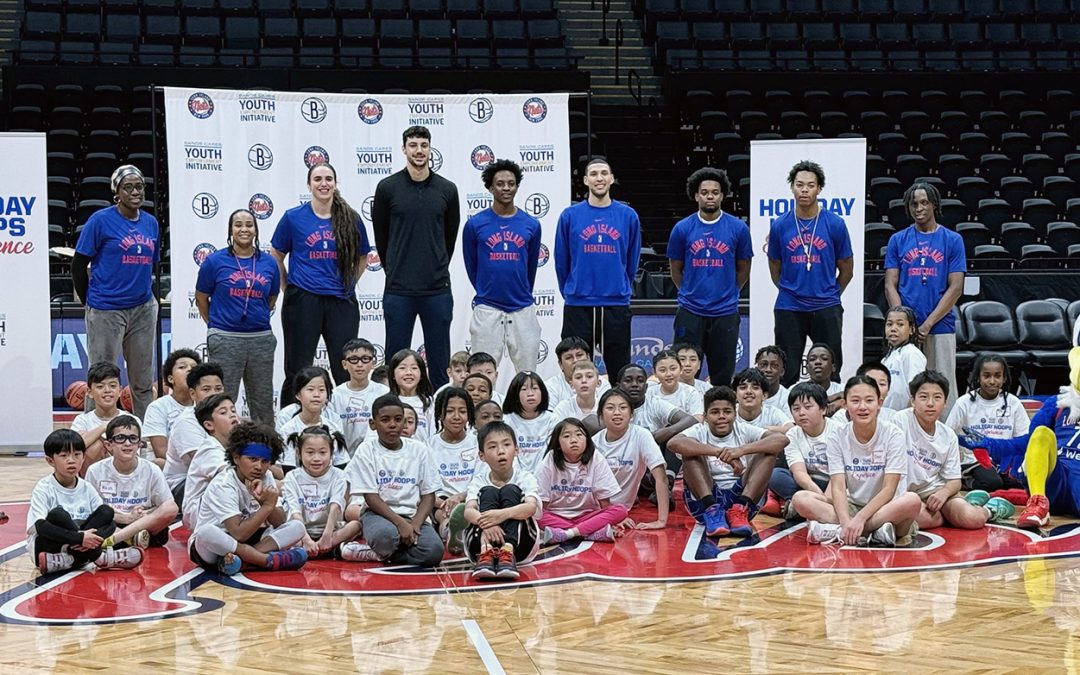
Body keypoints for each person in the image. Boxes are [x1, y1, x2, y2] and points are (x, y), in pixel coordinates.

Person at [270, 163, 370, 406]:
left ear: (335, 184)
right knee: (297, 367)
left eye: (328, 178)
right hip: (303, 300)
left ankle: (346, 421)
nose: (323, 183)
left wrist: (348, 283)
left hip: (340, 300)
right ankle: (290, 423)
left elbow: (363, 256)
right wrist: (289, 287)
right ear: (309, 185)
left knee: (344, 367)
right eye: (317, 179)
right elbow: (276, 254)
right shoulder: (293, 218)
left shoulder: (351, 218)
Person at [372, 125, 461, 389]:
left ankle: (439, 414)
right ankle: (394, 413)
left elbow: (449, 238)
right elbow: (382, 237)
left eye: (424, 145)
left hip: (437, 289)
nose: (419, 150)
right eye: (413, 145)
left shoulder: (447, 189)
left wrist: (434, 265)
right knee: (396, 360)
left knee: (439, 360)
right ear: (404, 149)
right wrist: (397, 269)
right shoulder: (387, 187)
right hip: (399, 289)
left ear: (430, 148)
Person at [791, 375, 922, 547]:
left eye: (869, 400)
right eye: (855, 401)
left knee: (912, 501)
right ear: (844, 404)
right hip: (852, 505)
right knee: (800, 499)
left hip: (885, 508)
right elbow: (838, 486)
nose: (862, 407)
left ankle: (841, 531)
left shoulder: (893, 434)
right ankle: (871, 532)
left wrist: (860, 520)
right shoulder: (837, 436)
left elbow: (889, 489)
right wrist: (846, 521)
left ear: (879, 403)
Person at [72, 164, 159, 421]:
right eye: (128, 187)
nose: (135, 191)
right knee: (101, 378)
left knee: (142, 381)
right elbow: (78, 264)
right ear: (116, 193)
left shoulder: (151, 223)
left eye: (139, 186)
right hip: (106, 309)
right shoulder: (100, 221)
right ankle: (91, 434)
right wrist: (90, 302)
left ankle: (145, 435)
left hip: (143, 308)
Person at [767, 160, 853, 386]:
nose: (804, 190)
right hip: (789, 305)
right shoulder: (779, 225)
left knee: (830, 368)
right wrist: (791, 289)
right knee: (786, 369)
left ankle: (829, 415)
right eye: (799, 184)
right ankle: (787, 417)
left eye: (810, 185)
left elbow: (846, 268)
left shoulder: (835, 224)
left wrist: (830, 292)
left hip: (826, 304)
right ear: (792, 187)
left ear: (819, 189)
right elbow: (775, 266)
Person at [555, 157, 642, 380]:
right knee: (576, 372)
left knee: (619, 371)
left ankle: (618, 414)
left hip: (615, 302)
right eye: (593, 174)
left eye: (604, 173)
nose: (599, 178)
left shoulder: (628, 216)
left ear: (612, 179)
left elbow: (631, 260)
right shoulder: (569, 215)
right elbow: (561, 259)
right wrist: (572, 290)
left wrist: (620, 285)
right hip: (579, 302)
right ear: (585, 180)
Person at [884, 181, 966, 414]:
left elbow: (956, 287)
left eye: (924, 203)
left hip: (940, 325)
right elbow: (890, 283)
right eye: (913, 204)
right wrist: (902, 323)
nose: (918, 208)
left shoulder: (952, 240)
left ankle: (948, 440)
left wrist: (928, 323)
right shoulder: (898, 240)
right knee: (905, 388)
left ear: (934, 205)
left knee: (942, 386)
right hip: (908, 331)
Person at [898, 371, 1014, 530]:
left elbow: (954, 481)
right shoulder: (898, 422)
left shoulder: (948, 435)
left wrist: (943, 493)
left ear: (945, 402)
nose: (930, 403)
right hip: (902, 496)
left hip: (934, 492)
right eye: (923, 397)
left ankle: (990, 509)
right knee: (917, 519)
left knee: (972, 519)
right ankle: (958, 510)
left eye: (937, 398)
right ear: (912, 400)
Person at [668, 167, 753, 386]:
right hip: (690, 310)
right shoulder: (682, 228)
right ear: (696, 195)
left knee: (723, 374)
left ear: (722, 195)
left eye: (715, 192)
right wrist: (690, 291)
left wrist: (730, 292)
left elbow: (744, 268)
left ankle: (720, 415)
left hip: (725, 311)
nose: (709, 196)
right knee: (685, 374)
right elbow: (676, 269)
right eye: (704, 192)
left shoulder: (738, 228)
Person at [188, 422, 309, 575]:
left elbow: (279, 523)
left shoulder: (266, 476)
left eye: (265, 461)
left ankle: (241, 562)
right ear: (236, 457)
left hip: (249, 540)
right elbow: (238, 533)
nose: (259, 466)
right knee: (206, 532)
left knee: (297, 527)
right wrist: (265, 507)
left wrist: (268, 504)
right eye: (252, 459)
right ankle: (265, 561)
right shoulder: (224, 484)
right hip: (214, 547)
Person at [196, 208, 281, 424]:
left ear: (256, 229)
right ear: (230, 230)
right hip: (225, 337)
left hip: (260, 338)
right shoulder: (215, 261)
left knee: (262, 403)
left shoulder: (269, 262)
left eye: (249, 224)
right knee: (222, 402)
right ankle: (219, 452)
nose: (244, 229)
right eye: (238, 224)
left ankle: (265, 451)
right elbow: (201, 297)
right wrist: (216, 326)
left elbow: (271, 298)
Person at [669, 386, 788, 538]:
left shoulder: (744, 429)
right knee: (690, 451)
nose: (721, 416)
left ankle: (740, 510)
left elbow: (781, 439)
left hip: (743, 502)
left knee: (768, 451)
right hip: (704, 501)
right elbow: (673, 443)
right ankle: (712, 510)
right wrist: (717, 452)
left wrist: (741, 451)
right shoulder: (699, 430)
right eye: (715, 412)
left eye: (727, 411)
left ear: (735, 414)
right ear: (705, 417)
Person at [462, 158, 543, 374]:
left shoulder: (531, 224)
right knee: (481, 374)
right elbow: (472, 266)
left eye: (511, 183)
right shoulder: (474, 224)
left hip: (522, 307)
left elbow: (530, 267)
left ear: (517, 186)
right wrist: (487, 289)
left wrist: (520, 290)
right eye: (500, 183)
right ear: (490, 187)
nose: (506, 188)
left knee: (527, 374)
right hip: (487, 307)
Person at [347, 394, 444, 567]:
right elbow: (371, 497)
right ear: (373, 424)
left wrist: (414, 525)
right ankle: (381, 547)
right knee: (385, 537)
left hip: (412, 515)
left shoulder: (420, 450)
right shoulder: (366, 450)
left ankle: (377, 554)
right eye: (385, 420)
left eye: (398, 419)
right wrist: (400, 524)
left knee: (434, 552)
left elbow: (429, 495)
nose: (393, 424)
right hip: (377, 514)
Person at [29, 429, 142, 575]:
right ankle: (99, 557)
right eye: (64, 456)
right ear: (50, 460)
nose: (71, 460)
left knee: (106, 512)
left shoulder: (86, 487)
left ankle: (71, 559)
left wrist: (86, 539)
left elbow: (109, 523)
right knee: (58, 515)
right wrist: (80, 538)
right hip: (46, 548)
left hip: (74, 549)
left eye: (77, 455)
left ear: (83, 458)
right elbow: (41, 526)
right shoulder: (44, 487)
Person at [460, 421, 541, 580]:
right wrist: (487, 523)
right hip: (480, 545)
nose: (501, 451)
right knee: (488, 491)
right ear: (482, 456)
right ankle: (486, 552)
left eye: (506, 444)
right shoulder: (478, 481)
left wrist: (500, 516)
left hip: (521, 546)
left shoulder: (525, 477)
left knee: (510, 490)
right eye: (492, 447)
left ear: (516, 450)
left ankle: (507, 551)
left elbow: (531, 508)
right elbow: (468, 511)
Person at [87, 417, 178, 549]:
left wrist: (144, 515)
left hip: (144, 524)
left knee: (171, 507)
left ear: (139, 444)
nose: (127, 443)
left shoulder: (152, 469)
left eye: (133, 438)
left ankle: (117, 539)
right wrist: (127, 518)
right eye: (120, 438)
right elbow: (93, 509)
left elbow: (164, 506)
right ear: (108, 445)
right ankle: (129, 538)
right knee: (98, 518)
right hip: (113, 523)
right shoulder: (95, 470)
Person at [947, 353, 1029, 494]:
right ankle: (965, 480)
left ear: (1004, 378)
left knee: (1018, 481)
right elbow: (947, 433)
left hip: (1004, 458)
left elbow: (1024, 437)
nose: (992, 381)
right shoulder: (964, 403)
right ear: (978, 377)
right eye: (987, 376)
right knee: (992, 483)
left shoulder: (1013, 402)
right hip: (975, 460)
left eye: (997, 376)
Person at [537, 418, 628, 543]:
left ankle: (566, 534)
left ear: (587, 440)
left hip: (588, 516)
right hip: (557, 515)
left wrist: (610, 521)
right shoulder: (549, 460)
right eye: (567, 436)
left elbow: (605, 501)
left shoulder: (596, 458)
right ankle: (589, 534)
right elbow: (542, 505)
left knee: (620, 510)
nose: (574, 440)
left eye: (579, 435)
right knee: (533, 514)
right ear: (557, 443)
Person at [592, 389, 669, 530]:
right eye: (610, 408)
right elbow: (591, 488)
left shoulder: (641, 435)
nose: (617, 412)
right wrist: (612, 517)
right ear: (601, 415)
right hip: (591, 509)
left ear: (632, 414)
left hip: (618, 511)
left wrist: (661, 521)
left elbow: (661, 477)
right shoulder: (593, 443)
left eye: (623, 407)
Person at [282, 425, 361, 558]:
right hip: (301, 532)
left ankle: (321, 549)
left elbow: (336, 505)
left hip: (331, 531)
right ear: (299, 453)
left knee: (355, 525)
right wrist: (306, 539)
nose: (316, 458)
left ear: (331, 453)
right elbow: (294, 511)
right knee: (276, 533)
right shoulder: (291, 477)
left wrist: (327, 536)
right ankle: (331, 550)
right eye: (310, 452)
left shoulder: (339, 475)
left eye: (322, 452)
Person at [767, 382, 845, 510]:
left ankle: (799, 505)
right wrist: (821, 498)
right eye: (796, 409)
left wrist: (823, 499)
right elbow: (799, 472)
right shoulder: (793, 434)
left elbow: (840, 474)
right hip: (809, 482)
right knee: (776, 475)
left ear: (823, 409)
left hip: (836, 481)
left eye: (808, 407)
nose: (801, 413)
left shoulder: (839, 431)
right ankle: (808, 504)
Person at [163, 362, 226, 503]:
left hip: (220, 475)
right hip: (182, 485)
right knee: (229, 485)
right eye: (206, 389)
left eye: (218, 388)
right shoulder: (186, 422)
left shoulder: (228, 416)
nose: (214, 394)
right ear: (193, 393)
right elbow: (204, 465)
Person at [428, 388, 479, 553]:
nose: (456, 416)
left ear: (469, 414)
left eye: (462, 411)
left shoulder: (478, 442)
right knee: (444, 514)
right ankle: (451, 533)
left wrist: (462, 497)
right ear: (440, 415)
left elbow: (483, 479)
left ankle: (467, 533)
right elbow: (424, 486)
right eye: (450, 411)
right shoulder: (428, 446)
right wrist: (443, 502)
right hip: (441, 503)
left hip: (471, 498)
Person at [181, 393, 240, 530]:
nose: (232, 415)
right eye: (223, 412)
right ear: (209, 425)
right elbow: (237, 476)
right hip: (200, 516)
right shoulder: (209, 449)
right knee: (231, 481)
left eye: (233, 410)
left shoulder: (238, 446)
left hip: (224, 510)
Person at [70, 362, 139, 470]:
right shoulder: (82, 420)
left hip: (124, 472)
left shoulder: (132, 420)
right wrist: (104, 427)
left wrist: (98, 439)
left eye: (112, 386)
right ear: (89, 392)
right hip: (91, 475)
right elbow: (74, 448)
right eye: (100, 386)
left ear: (120, 390)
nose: (107, 390)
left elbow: (134, 455)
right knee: (95, 447)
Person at [325, 338, 390, 453]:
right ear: (344, 364)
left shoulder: (384, 392)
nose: (360, 364)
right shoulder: (335, 395)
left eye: (365, 359)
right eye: (354, 359)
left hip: (378, 456)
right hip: (343, 458)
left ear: (373, 363)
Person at [277, 367, 348, 471]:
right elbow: (288, 470)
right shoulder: (288, 429)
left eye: (322, 390)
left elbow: (341, 465)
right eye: (310, 389)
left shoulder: (334, 427)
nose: (316, 395)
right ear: (298, 394)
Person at [143, 348, 201, 467]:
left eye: (194, 367)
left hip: (202, 468)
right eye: (182, 367)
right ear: (170, 378)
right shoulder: (158, 407)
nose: (189, 369)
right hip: (173, 470)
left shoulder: (206, 407)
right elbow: (161, 452)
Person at [502, 371, 558, 473]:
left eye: (535, 388)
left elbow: (551, 453)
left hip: (545, 474)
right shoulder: (507, 420)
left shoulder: (552, 419)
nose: (530, 394)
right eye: (524, 389)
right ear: (515, 394)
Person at [881, 306, 926, 410]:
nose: (893, 329)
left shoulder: (912, 354)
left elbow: (916, 390)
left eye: (900, 324)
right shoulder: (886, 359)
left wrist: (907, 418)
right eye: (889, 324)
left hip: (903, 417)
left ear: (912, 329)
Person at [545, 337, 611, 406]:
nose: (575, 360)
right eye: (568, 357)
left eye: (579, 355)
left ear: (588, 358)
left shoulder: (602, 384)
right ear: (560, 364)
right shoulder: (550, 387)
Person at [387, 349, 435, 441]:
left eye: (414, 368)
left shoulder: (430, 402)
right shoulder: (385, 402)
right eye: (402, 368)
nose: (409, 372)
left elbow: (434, 436)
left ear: (421, 374)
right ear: (393, 374)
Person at [648, 349, 704, 421]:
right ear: (654, 372)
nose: (668, 374)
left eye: (673, 369)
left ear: (681, 369)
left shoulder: (691, 392)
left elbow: (698, 419)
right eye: (662, 370)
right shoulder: (649, 393)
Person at [732, 367, 793, 432]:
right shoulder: (729, 413)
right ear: (735, 395)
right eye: (743, 388)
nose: (748, 391)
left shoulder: (772, 412)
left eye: (755, 388)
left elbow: (792, 429)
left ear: (764, 395)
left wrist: (762, 431)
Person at [755, 345, 790, 413]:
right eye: (763, 365)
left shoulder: (788, 397)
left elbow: (789, 423)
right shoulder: (748, 394)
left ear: (782, 372)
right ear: (757, 369)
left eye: (774, 365)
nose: (768, 370)